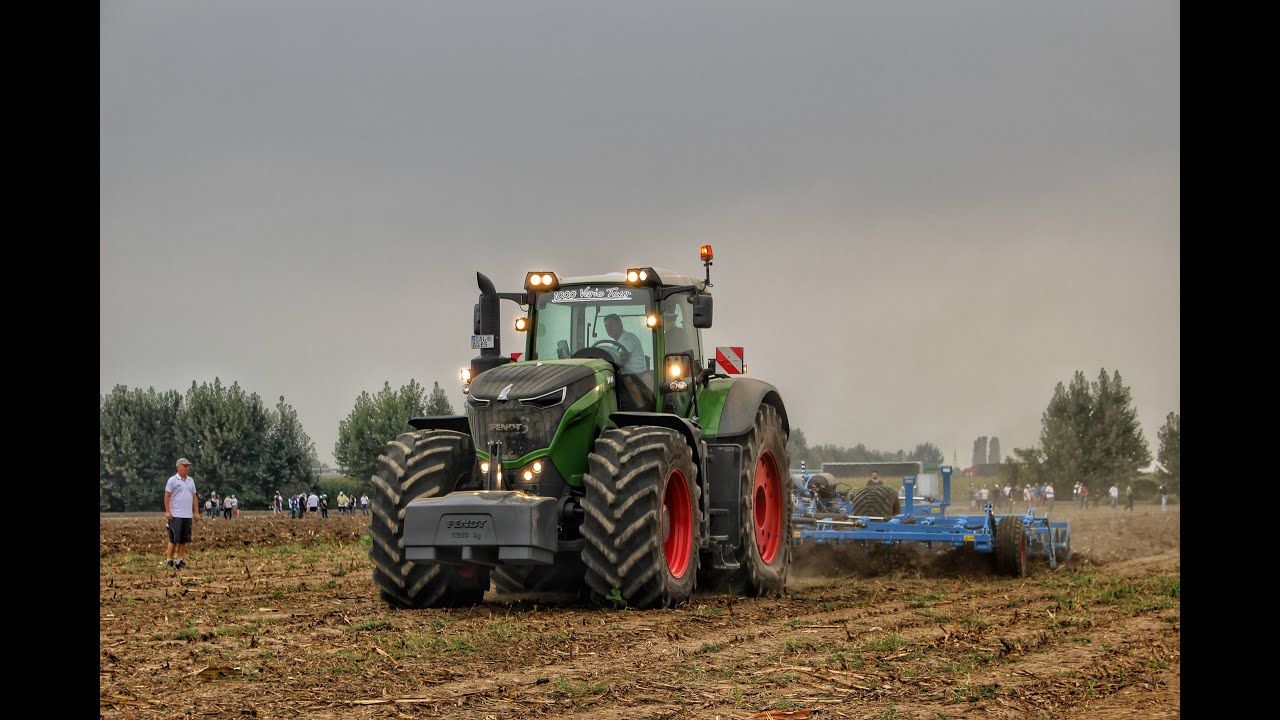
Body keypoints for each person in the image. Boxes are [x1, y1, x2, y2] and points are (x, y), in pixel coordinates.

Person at [164, 457, 199, 570]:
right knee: (174, 539)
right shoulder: (172, 481)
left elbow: (194, 497)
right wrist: (168, 511)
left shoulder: (191, 481)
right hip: (176, 515)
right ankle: (169, 560)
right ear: (178, 467)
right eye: (184, 466)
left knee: (184, 540)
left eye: (187, 466)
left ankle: (180, 560)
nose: (186, 468)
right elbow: (167, 496)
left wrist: (196, 512)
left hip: (187, 515)